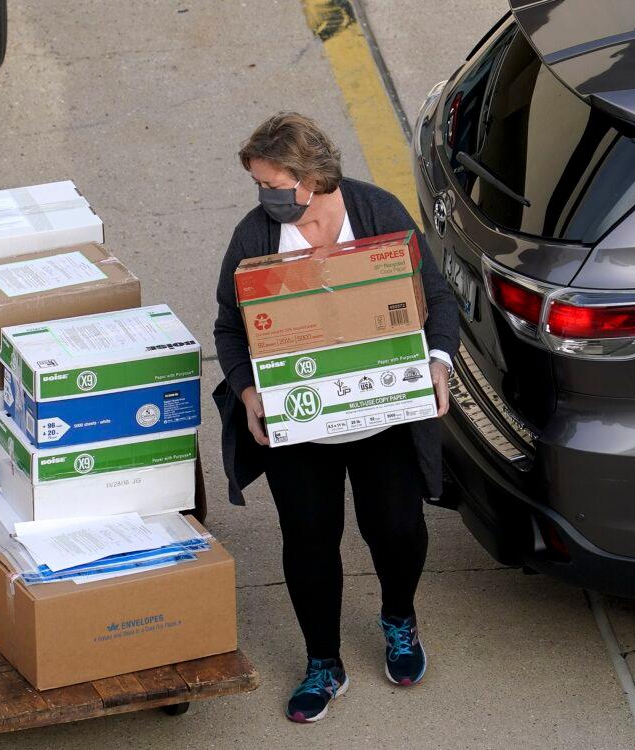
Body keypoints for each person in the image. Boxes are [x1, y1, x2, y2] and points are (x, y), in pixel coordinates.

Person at [212, 112, 459, 723]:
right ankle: (323, 661)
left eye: (273, 185)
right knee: (309, 542)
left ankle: (399, 617)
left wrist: (437, 361)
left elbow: (439, 296)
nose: (265, 198)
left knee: (398, 531)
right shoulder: (256, 237)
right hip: (302, 425)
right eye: (257, 186)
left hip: (382, 420)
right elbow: (227, 324)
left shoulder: (378, 214)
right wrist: (248, 395)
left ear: (312, 176)